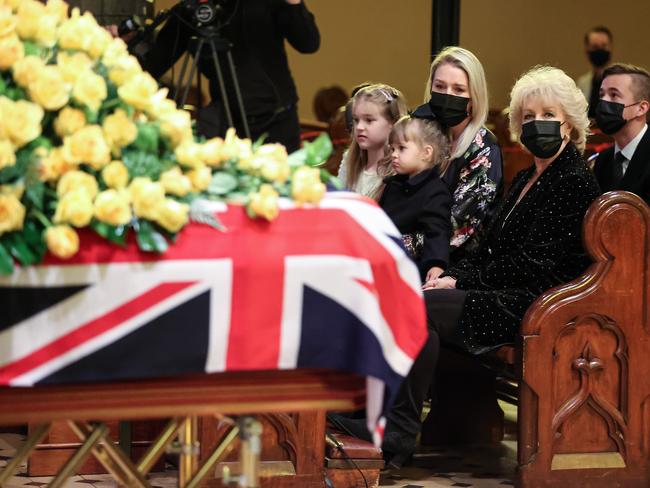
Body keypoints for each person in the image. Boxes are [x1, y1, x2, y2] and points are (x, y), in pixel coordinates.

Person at [332, 66, 601, 469]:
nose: (535, 124)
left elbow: (536, 264)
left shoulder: (573, 180)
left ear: (570, 124)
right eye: (527, 117)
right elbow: (492, 249)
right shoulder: (528, 174)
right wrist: (446, 276)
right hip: (503, 291)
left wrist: (460, 278)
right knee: (414, 300)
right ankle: (387, 428)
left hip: (537, 303)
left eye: (548, 115)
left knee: (418, 308)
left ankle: (389, 431)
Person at [137, 0, 320, 153]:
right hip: (227, 126)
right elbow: (152, 65)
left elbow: (309, 43)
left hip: (278, 122)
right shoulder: (195, 11)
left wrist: (293, 3)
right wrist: (118, 47)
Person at [422, 46, 503, 266]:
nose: (448, 95)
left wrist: (395, 243)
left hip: (459, 266)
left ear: (474, 97)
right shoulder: (422, 136)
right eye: (440, 86)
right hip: (416, 255)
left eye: (458, 90)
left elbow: (456, 228)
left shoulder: (484, 148)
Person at [379, 114, 452, 281]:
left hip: (409, 268)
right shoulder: (394, 185)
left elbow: (437, 231)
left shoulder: (435, 191)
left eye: (401, 148)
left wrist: (436, 263)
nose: (394, 155)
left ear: (426, 153)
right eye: (392, 149)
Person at [338, 84, 408, 200]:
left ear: (393, 123)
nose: (359, 127)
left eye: (369, 120)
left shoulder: (399, 168)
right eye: (356, 120)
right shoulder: (349, 159)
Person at [593, 63, 650, 204]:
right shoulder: (603, 160)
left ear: (641, 108)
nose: (604, 101)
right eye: (601, 94)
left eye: (614, 95)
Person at [576, 26, 614, 118]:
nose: (600, 50)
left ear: (610, 48)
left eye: (604, 46)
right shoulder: (582, 83)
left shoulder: (620, 80)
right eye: (595, 46)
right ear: (587, 50)